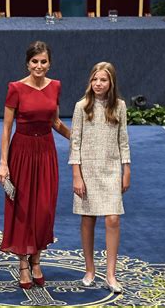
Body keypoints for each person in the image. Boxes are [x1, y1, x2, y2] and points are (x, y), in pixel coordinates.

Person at [0, 41, 70, 289]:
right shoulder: (15, 88)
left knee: (44, 208)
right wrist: (3, 163)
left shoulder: (56, 86)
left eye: (43, 61)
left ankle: (37, 258)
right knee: (24, 208)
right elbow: (7, 129)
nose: (39, 66)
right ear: (27, 63)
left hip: (47, 152)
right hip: (22, 152)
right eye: (34, 61)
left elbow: (56, 122)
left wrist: (78, 139)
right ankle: (23, 264)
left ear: (49, 63)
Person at [69, 62, 131, 294]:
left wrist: (126, 168)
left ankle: (111, 274)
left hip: (112, 168)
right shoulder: (82, 106)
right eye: (95, 79)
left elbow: (123, 140)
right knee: (88, 219)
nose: (98, 84)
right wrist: (76, 174)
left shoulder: (120, 107)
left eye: (103, 80)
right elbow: (75, 143)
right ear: (90, 81)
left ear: (111, 82)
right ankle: (89, 269)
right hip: (87, 170)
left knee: (113, 218)